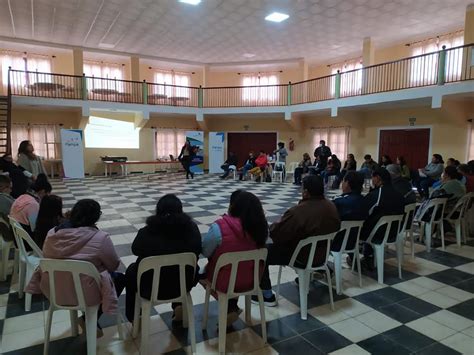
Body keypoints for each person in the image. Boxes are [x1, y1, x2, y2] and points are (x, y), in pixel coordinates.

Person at [26, 199, 124, 338]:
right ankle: (89, 319)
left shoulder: (52, 233)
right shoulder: (100, 237)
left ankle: (88, 319)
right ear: (96, 217)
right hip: (88, 294)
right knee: (120, 278)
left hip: (56, 291)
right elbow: (113, 265)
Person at [255, 175, 340, 305]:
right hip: (322, 255)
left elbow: (276, 234)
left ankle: (266, 294)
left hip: (300, 256)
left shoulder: (298, 212)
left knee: (261, 252)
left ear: (305, 192)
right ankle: (316, 272)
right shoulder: (331, 207)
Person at [125, 194, 201, 322]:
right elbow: (198, 249)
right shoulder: (192, 229)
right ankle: (179, 304)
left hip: (150, 286)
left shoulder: (147, 232)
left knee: (132, 270)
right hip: (183, 284)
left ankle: (134, 315)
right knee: (189, 266)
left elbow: (135, 249)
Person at [202, 190, 267, 324]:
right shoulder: (261, 228)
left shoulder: (219, 227)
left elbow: (205, 252)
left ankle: (229, 308)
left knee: (202, 274)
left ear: (233, 206)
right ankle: (231, 308)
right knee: (236, 271)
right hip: (252, 280)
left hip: (223, 281)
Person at [356, 168, 405, 267]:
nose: (372, 180)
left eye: (372, 178)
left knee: (356, 226)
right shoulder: (399, 194)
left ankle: (361, 257)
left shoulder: (377, 195)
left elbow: (362, 211)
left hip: (377, 233)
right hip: (395, 231)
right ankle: (368, 253)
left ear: (378, 178)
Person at [331, 171, 369, 253]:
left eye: (343, 181)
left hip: (336, 241)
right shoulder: (365, 201)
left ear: (347, 183)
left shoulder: (338, 202)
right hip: (355, 240)